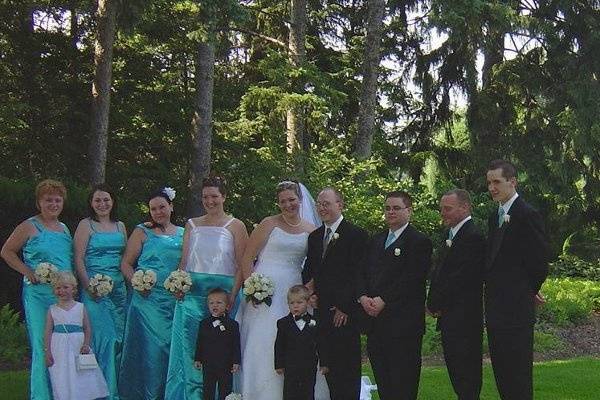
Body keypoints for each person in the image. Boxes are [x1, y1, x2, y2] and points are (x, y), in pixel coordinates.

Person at [238, 180, 329, 400]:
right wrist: (252, 287)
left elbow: (317, 265)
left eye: (292, 200)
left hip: (293, 290)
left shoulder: (311, 230)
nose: (288, 205)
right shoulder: (268, 224)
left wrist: (310, 290)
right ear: (278, 204)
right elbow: (247, 258)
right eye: (283, 201)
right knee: (263, 339)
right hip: (264, 290)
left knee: (299, 339)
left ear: (300, 200)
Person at [166, 177, 248, 399]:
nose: (209, 201)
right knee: (192, 349)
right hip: (193, 296)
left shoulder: (236, 225)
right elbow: (184, 261)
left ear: (224, 197)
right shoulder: (192, 224)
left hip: (224, 296)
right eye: (205, 197)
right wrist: (179, 284)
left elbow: (242, 263)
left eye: (214, 196)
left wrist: (233, 294)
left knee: (223, 350)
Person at [1, 179, 73, 399]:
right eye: (48, 200)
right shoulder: (29, 226)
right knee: (44, 344)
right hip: (38, 295)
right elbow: (7, 252)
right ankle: (42, 395)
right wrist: (27, 271)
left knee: (63, 343)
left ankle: (62, 392)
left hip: (62, 295)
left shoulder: (64, 229)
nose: (53, 204)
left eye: (57, 200)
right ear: (39, 202)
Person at [356, 191, 432, 400]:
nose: (391, 212)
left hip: (403, 326)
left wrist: (384, 299)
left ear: (409, 210)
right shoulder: (376, 240)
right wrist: (363, 297)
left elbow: (412, 278)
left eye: (396, 208)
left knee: (403, 383)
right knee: (384, 382)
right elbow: (362, 271)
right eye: (387, 208)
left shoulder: (419, 241)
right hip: (376, 324)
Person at [485, 159, 549, 400]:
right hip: (495, 310)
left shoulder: (527, 214)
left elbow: (539, 261)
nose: (492, 187)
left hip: (516, 311)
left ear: (513, 182)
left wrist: (527, 291)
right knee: (502, 373)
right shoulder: (496, 216)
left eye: (497, 182)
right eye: (489, 182)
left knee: (518, 374)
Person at [302, 187, 368, 400]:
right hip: (321, 312)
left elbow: (358, 274)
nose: (322, 208)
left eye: (327, 203)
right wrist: (309, 292)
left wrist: (345, 307)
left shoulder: (356, 235)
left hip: (344, 314)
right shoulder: (314, 237)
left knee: (346, 372)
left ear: (340, 204)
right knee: (328, 367)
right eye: (319, 204)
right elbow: (310, 270)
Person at [119, 187, 184, 400]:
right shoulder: (142, 231)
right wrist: (137, 283)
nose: (158, 212)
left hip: (174, 300)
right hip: (147, 301)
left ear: (171, 207)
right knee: (152, 351)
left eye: (162, 207)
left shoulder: (185, 233)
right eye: (153, 209)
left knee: (173, 350)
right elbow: (126, 264)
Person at [427, 189, 485, 400]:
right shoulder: (449, 235)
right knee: (456, 371)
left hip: (465, 318)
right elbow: (439, 273)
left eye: (448, 209)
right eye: (442, 208)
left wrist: (435, 303)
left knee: (466, 373)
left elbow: (460, 279)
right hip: (450, 316)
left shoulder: (473, 237)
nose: (443, 213)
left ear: (465, 207)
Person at [73, 184, 127, 399]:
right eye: (98, 200)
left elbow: (125, 258)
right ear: (91, 203)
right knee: (104, 339)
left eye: (106, 199)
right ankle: (103, 393)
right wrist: (88, 286)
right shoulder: (86, 225)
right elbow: (78, 258)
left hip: (119, 291)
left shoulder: (121, 226)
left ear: (113, 202)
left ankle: (115, 388)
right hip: (94, 290)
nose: (102, 204)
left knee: (120, 340)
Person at [44, 271, 109, 400]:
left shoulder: (80, 307)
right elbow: (47, 331)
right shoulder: (52, 310)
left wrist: (86, 344)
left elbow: (87, 328)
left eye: (65, 287)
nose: (61, 291)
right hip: (59, 347)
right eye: (58, 288)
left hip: (77, 345)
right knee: (62, 374)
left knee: (81, 374)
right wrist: (47, 351)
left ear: (73, 289)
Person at [275, 285, 329, 400]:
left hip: (309, 365)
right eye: (292, 303)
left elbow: (321, 343)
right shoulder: (283, 323)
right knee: (290, 391)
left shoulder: (314, 322)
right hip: (290, 365)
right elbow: (279, 345)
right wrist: (279, 364)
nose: (295, 306)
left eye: (299, 302)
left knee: (308, 391)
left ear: (307, 302)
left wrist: (324, 363)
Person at [194, 287, 241, 400]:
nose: (215, 305)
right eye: (211, 303)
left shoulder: (232, 324)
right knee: (208, 389)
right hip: (208, 363)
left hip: (226, 364)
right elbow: (200, 342)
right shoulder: (204, 323)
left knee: (225, 390)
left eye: (219, 302)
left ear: (227, 306)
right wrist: (197, 358)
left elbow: (236, 344)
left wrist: (236, 361)